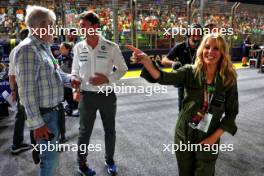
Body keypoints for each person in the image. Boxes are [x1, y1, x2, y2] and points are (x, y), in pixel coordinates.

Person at [129, 33, 239, 176]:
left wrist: (213, 138)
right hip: (184, 133)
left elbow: (232, 113)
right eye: (207, 47)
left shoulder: (228, 79)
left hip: (209, 134)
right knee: (185, 172)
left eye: (216, 48)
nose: (210, 52)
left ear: (223, 52)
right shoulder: (190, 71)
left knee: (205, 172)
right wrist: (147, 62)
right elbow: (163, 77)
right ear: (201, 49)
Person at [14, 6, 80, 176]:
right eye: (51, 25)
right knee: (50, 161)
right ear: (39, 27)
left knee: (51, 158)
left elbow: (56, 73)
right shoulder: (28, 49)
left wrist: (70, 79)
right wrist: (37, 124)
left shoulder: (43, 47)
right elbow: (26, 92)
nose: (54, 29)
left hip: (54, 112)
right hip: (44, 116)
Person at [71, 11, 128, 176]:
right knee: (84, 132)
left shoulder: (111, 47)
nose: (81, 29)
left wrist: (107, 79)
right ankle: (81, 164)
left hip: (107, 95)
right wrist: (74, 82)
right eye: (80, 26)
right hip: (86, 96)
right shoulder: (78, 47)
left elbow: (123, 69)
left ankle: (110, 160)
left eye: (84, 26)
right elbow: (75, 70)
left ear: (95, 26)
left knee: (110, 130)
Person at [161, 23, 203, 111]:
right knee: (183, 109)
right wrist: (173, 64)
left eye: (199, 35)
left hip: (199, 82)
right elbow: (164, 60)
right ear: (188, 34)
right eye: (194, 35)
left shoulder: (203, 47)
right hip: (183, 83)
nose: (196, 38)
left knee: (200, 109)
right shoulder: (180, 47)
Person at [8, 28, 32, 155]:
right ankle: (18, 144)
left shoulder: (14, 51)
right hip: (27, 87)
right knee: (25, 114)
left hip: (19, 87)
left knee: (21, 115)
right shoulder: (28, 49)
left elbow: (11, 75)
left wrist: (13, 90)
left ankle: (17, 143)